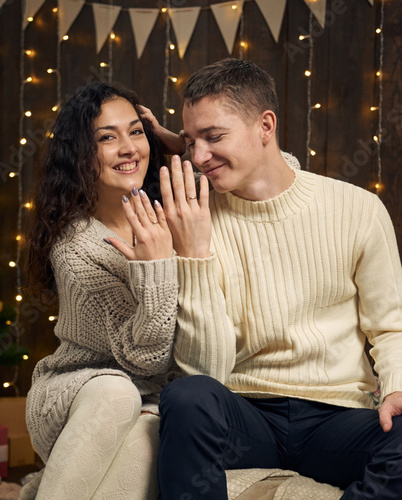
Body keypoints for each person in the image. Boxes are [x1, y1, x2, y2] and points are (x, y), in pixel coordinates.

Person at [148, 58, 402, 499]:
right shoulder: (191, 218)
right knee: (187, 397)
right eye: (190, 142)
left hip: (336, 418)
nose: (199, 155)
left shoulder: (357, 209)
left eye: (213, 136)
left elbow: (391, 326)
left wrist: (397, 385)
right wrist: (193, 254)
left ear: (265, 125)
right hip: (246, 415)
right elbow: (202, 370)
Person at [23, 83, 178, 500]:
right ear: (79, 155)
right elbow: (145, 358)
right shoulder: (75, 245)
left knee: (152, 425)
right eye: (107, 138)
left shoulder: (174, 209)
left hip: (152, 402)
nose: (128, 149)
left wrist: (185, 144)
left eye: (136, 132)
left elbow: (269, 170)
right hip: (79, 393)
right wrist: (158, 266)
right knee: (118, 391)